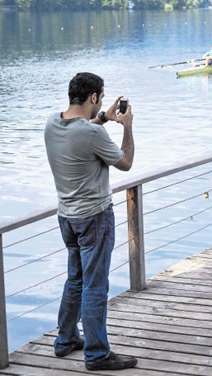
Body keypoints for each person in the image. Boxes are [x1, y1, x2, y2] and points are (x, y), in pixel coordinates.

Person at [44, 72, 138, 371]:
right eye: (101, 97)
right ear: (94, 96)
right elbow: (125, 163)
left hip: (67, 217)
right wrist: (127, 127)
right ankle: (97, 354)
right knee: (95, 286)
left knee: (76, 280)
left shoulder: (53, 123)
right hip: (94, 218)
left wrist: (105, 118)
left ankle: (66, 339)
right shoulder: (92, 134)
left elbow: (80, 131)